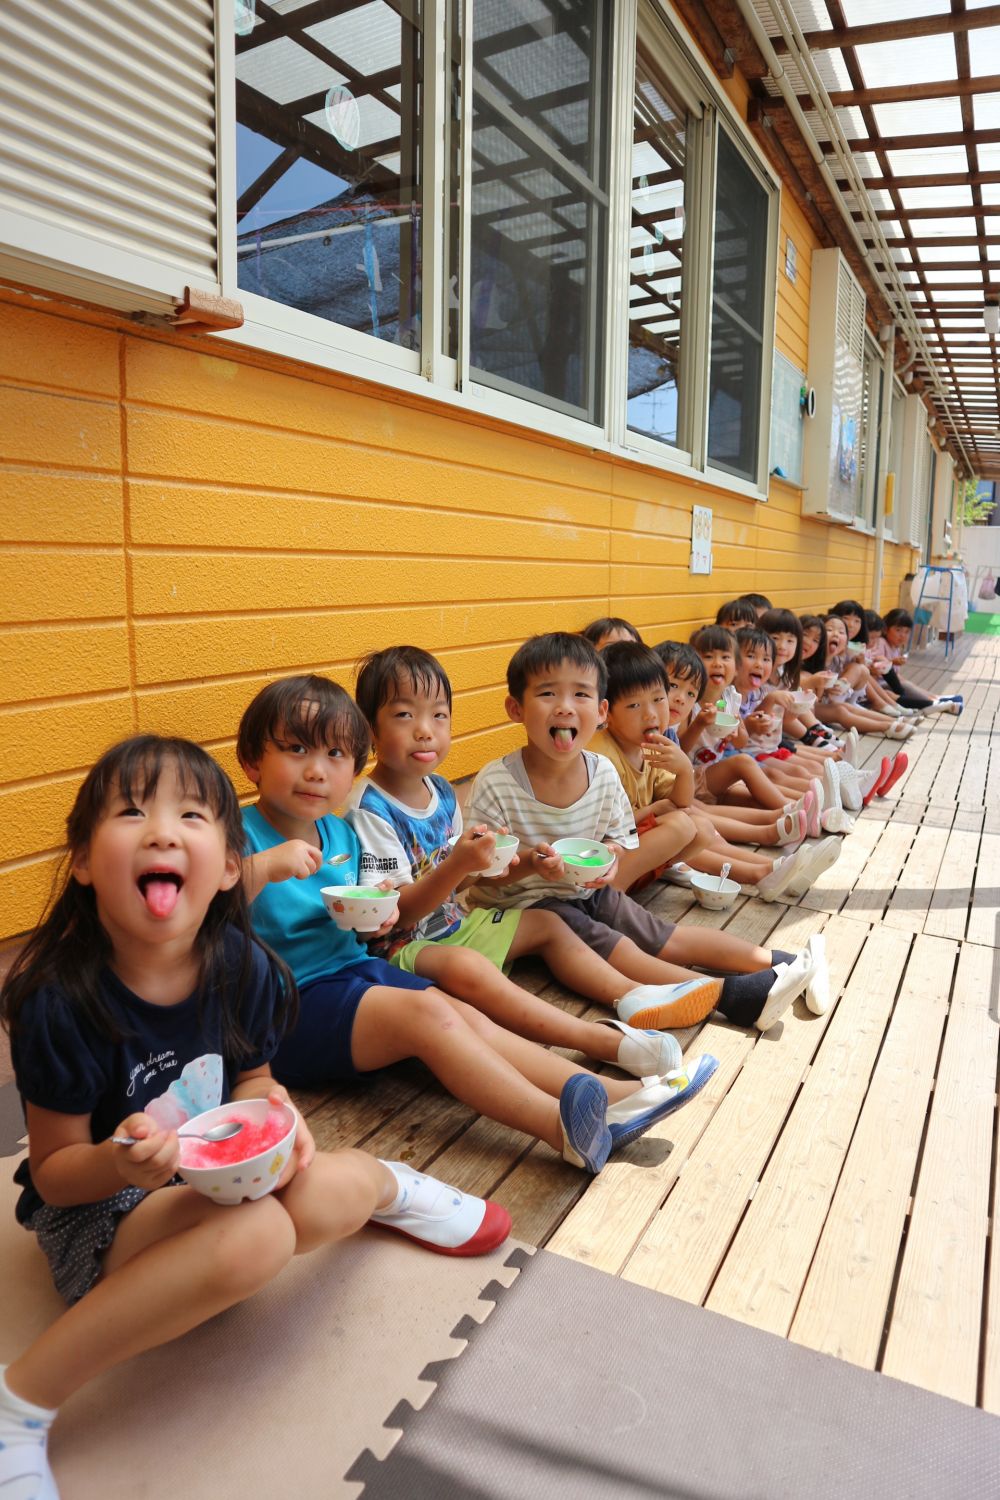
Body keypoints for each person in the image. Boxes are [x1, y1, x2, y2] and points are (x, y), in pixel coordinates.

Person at [0, 736, 514, 1500]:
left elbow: (252, 1079)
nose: (163, 831)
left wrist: (274, 1114)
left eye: (193, 815)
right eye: (132, 811)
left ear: (232, 868)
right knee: (266, 1234)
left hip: (211, 1172)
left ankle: (386, 1185)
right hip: (103, 1212)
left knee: (323, 1190)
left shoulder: (240, 965)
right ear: (81, 860)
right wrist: (118, 1163)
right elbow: (55, 1176)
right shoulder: (62, 1000)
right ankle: (20, 1405)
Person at [238, 675, 718, 1176]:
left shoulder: (340, 831)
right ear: (252, 761)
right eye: (295, 749)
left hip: (354, 972)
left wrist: (378, 911)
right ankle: (564, 1126)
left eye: (336, 755)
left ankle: (613, 1096)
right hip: (285, 1007)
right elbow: (202, 911)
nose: (317, 770)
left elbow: (374, 929)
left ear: (353, 766)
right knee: (431, 1016)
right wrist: (265, 867)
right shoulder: (238, 835)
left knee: (460, 1013)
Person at [346, 644, 698, 1078]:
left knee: (551, 924)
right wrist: (461, 864)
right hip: (402, 949)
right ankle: (594, 1039)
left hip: (458, 924)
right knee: (466, 965)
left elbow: (466, 888)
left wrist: (515, 861)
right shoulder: (369, 809)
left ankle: (632, 995)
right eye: (404, 715)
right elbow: (399, 916)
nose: (425, 731)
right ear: (369, 730)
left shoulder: (439, 791)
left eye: (438, 715)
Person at [462, 632, 821, 1032]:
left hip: (586, 890)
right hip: (523, 906)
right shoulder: (495, 782)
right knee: (617, 945)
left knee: (665, 936)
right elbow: (481, 875)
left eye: (580, 695)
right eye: (548, 694)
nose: (565, 708)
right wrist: (531, 863)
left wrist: (609, 864)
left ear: (599, 710)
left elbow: (617, 843)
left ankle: (782, 962)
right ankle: (735, 995)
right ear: (516, 708)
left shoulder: (602, 775)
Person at [598, 640, 808, 891]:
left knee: (702, 827)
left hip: (636, 848)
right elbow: (604, 830)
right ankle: (763, 865)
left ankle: (771, 867)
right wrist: (658, 808)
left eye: (658, 699)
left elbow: (679, 802)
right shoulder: (603, 757)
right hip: (607, 868)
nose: (651, 714)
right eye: (635, 705)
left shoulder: (652, 745)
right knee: (681, 824)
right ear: (605, 712)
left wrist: (684, 770)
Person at [881, 609, 963, 714]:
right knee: (906, 686)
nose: (902, 635)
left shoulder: (895, 647)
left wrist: (904, 681)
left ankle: (936, 698)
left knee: (907, 683)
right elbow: (877, 665)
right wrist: (892, 662)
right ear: (886, 629)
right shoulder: (882, 643)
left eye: (907, 632)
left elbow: (896, 675)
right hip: (880, 685)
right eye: (898, 630)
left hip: (889, 684)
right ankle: (935, 702)